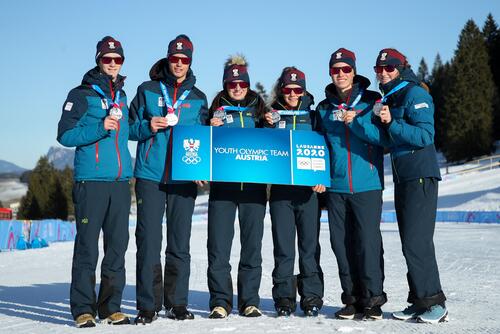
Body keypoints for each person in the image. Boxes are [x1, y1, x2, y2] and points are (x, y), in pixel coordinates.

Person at [129, 34, 208, 324]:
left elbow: (204, 141)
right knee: (148, 242)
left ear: (190, 62)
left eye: (184, 59)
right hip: (150, 175)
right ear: (167, 59)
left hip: (183, 179)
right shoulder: (147, 90)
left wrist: (202, 169)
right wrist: (147, 125)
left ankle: (177, 304)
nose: (178, 64)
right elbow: (128, 128)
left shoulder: (198, 98)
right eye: (174, 58)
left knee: (179, 244)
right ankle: (147, 306)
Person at [57, 36, 133, 328]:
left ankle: (111, 307)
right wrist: (99, 128)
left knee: (117, 247)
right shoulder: (81, 94)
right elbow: (65, 135)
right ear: (98, 60)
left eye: (118, 59)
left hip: (120, 181)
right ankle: (83, 309)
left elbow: (128, 133)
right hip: (91, 181)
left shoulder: (123, 96)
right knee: (88, 247)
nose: (113, 64)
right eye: (107, 58)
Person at [374, 48, 448, 324]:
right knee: (409, 243)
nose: (383, 72)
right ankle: (419, 301)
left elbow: (425, 135)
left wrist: (392, 122)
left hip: (420, 175)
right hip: (404, 176)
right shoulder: (392, 96)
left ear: (401, 68)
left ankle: (435, 303)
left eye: (389, 68)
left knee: (418, 241)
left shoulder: (415, 93)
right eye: (379, 68)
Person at [315, 48, 388, 320]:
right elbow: (318, 148)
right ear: (330, 73)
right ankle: (352, 298)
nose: (341, 74)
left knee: (368, 243)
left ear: (354, 72)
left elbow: (383, 138)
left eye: (346, 69)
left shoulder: (372, 101)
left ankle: (373, 299)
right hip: (335, 187)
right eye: (336, 70)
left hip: (367, 184)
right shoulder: (324, 107)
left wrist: (357, 124)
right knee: (341, 244)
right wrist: (319, 178)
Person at [206, 55, 269, 319]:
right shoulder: (217, 107)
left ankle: (249, 300)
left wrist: (269, 123)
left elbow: (273, 141)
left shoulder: (258, 105)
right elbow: (202, 148)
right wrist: (209, 128)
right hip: (223, 187)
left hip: (254, 187)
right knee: (219, 246)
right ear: (225, 85)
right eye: (232, 84)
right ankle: (220, 300)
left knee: (252, 245)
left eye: (241, 83)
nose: (237, 88)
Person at [264, 67, 325, 317]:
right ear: (281, 90)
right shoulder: (271, 116)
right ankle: (284, 298)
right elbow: (260, 151)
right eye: (287, 89)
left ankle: (311, 297)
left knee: (309, 247)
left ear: (304, 90)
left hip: (308, 193)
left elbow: (326, 147)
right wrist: (266, 125)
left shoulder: (313, 116)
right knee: (284, 248)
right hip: (280, 193)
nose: (291, 94)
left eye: (297, 89)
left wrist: (322, 178)